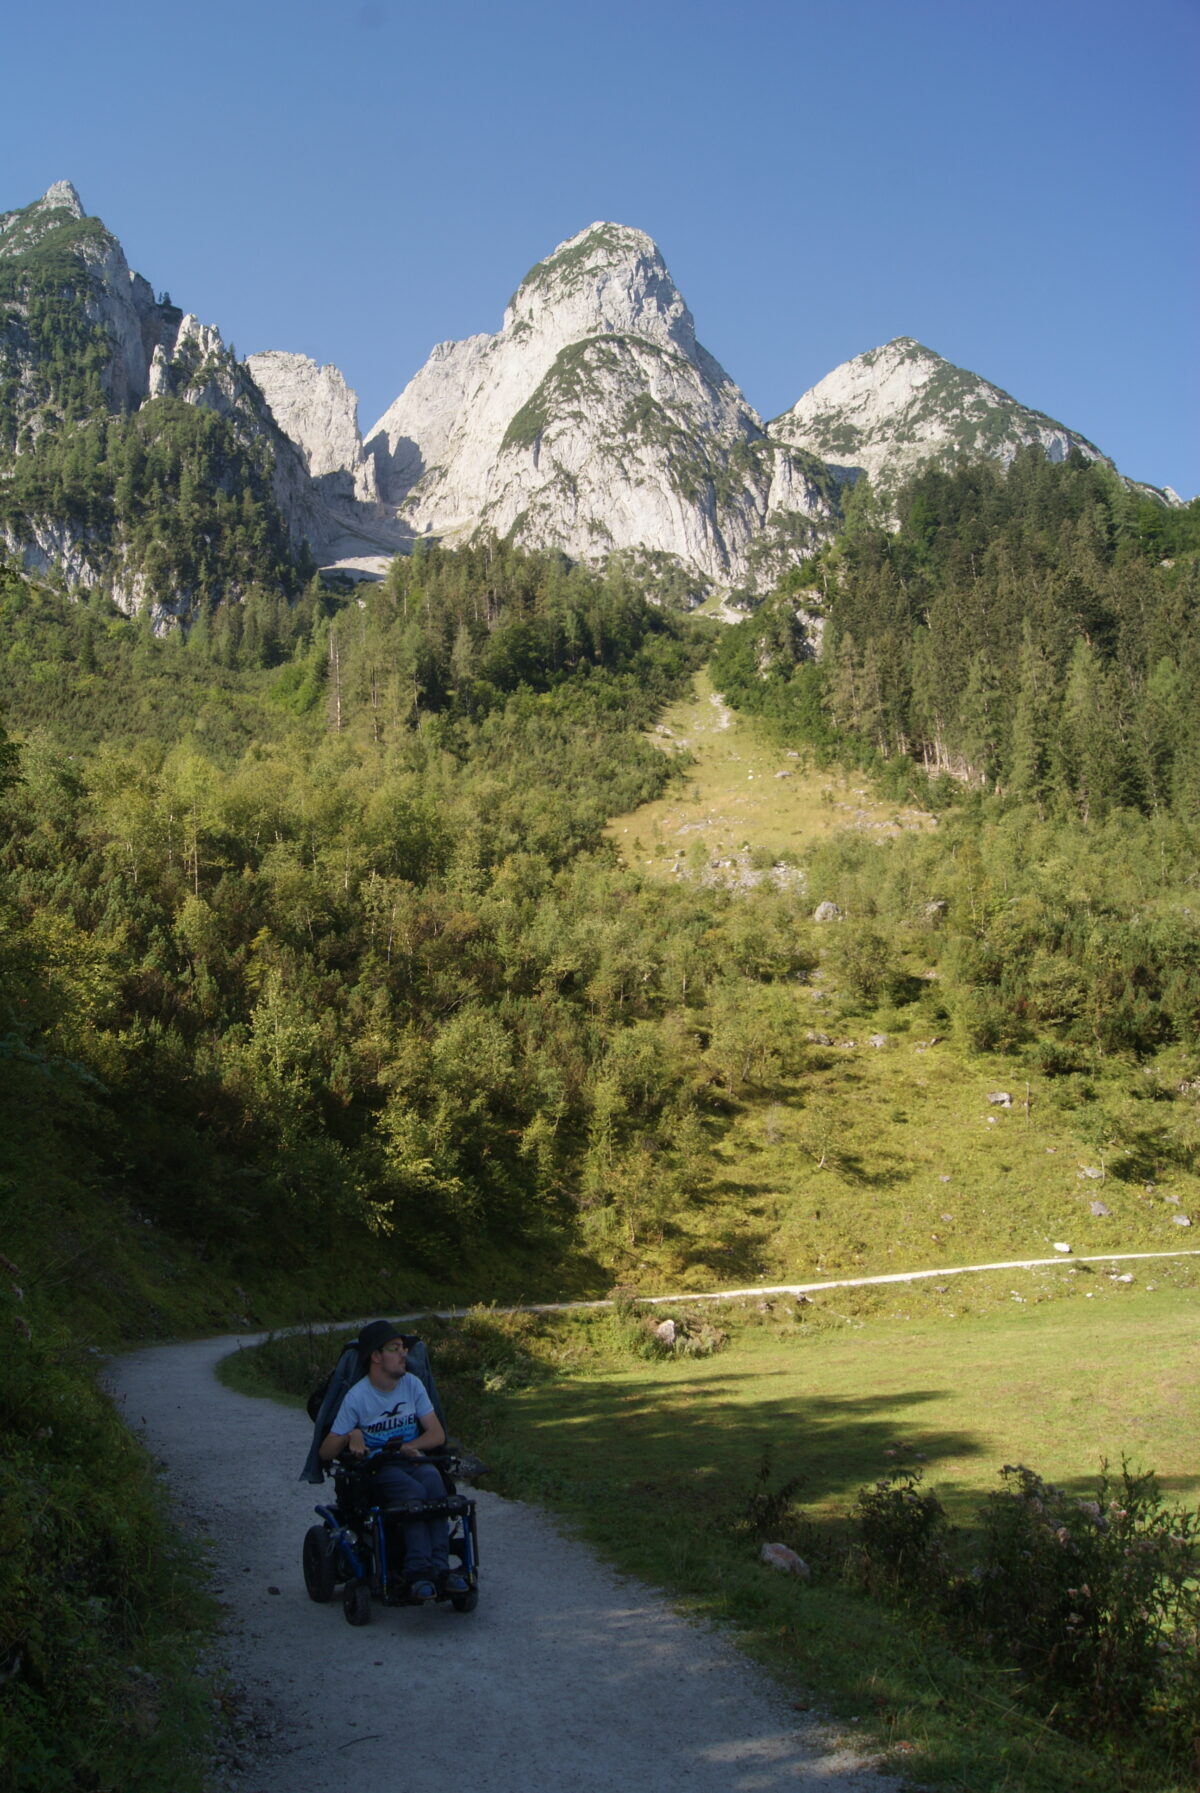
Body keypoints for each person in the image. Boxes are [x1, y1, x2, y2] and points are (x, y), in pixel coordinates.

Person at [318, 1320, 468, 1600]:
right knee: (413, 1493)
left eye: (404, 1349)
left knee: (435, 1485)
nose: (404, 1356)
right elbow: (325, 1452)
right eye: (395, 1349)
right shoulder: (358, 1397)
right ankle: (417, 1572)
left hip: (411, 1461)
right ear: (376, 1356)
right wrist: (353, 1433)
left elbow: (436, 1434)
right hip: (378, 1469)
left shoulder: (412, 1384)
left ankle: (439, 1570)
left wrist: (410, 1446)